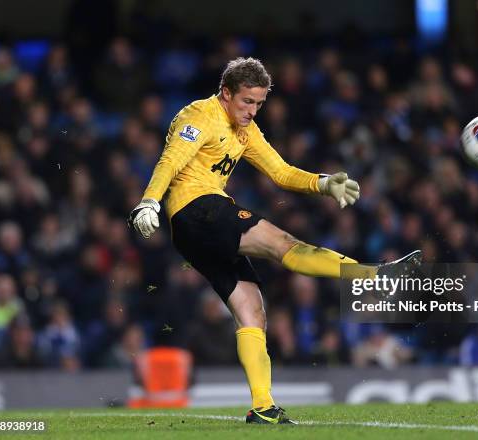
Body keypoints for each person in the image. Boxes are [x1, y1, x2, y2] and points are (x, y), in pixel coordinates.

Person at [128, 57, 421, 424]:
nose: (252, 111)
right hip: (198, 210)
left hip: (193, 235)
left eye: (259, 103)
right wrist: (149, 200)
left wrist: (323, 182)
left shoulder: (244, 130)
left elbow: (280, 172)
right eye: (246, 102)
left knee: (251, 308)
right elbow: (170, 161)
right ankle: (376, 277)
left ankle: (262, 406)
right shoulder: (200, 116)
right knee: (283, 244)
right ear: (226, 93)